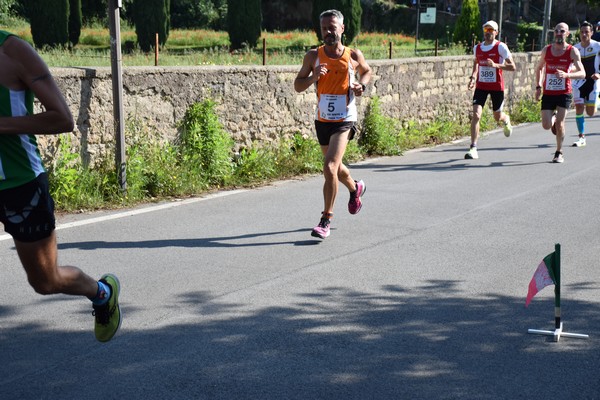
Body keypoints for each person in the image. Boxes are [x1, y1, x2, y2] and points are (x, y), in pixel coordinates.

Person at [0, 30, 121, 342]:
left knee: (46, 281)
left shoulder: (14, 52)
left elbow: (63, 119)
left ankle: (101, 292)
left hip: (20, 184)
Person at [294, 9, 372, 239]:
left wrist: (361, 86)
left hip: (345, 119)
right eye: (324, 28)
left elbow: (366, 72)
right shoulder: (313, 56)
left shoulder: (353, 55)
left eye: (333, 27)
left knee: (329, 167)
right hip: (323, 120)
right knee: (336, 169)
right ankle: (355, 188)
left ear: (342, 29)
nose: (329, 31)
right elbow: (298, 86)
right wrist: (313, 77)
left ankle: (325, 219)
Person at [534, 23, 586, 163]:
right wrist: (538, 86)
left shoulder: (572, 51)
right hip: (549, 93)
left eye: (562, 31)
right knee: (546, 125)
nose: (558, 33)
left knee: (560, 124)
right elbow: (539, 68)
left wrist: (567, 75)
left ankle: (559, 152)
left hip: (564, 93)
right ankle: (554, 118)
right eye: (556, 31)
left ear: (567, 34)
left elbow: (582, 73)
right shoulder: (547, 50)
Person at [465, 20, 516, 160]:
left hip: (496, 87)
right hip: (481, 86)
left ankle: (506, 119)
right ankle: (473, 148)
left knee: (497, 117)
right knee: (476, 115)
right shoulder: (477, 48)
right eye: (486, 30)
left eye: (491, 30)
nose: (488, 33)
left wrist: (496, 65)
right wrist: (473, 77)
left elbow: (513, 67)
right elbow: (476, 63)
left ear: (496, 32)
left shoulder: (501, 47)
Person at [571, 21, 600, 147]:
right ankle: (581, 137)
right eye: (582, 32)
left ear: (592, 33)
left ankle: (596, 101)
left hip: (593, 81)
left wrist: (599, 74)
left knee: (590, 112)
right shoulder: (574, 48)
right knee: (579, 108)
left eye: (586, 32)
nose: (584, 34)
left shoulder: (598, 46)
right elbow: (569, 64)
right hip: (579, 82)